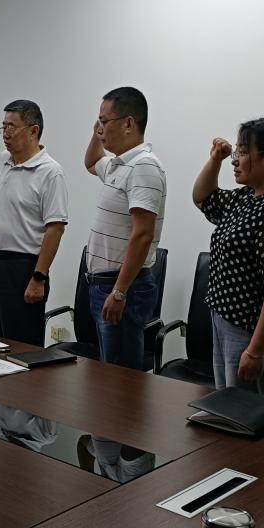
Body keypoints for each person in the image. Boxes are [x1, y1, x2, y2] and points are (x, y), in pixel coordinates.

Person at [192, 117, 264, 396]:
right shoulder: (245, 197)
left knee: (245, 414)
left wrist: (256, 349)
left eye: (243, 152)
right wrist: (215, 159)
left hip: (249, 332)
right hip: (224, 320)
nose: (235, 160)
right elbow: (202, 198)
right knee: (226, 408)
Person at [0, 100, 67, 346]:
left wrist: (39, 277)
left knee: (21, 346)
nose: (5, 133)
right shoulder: (1, 161)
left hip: (22, 268)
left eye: (12, 127)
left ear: (33, 130)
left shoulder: (50, 172)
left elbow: (55, 229)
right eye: (4, 127)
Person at [83, 86, 166, 369]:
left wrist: (119, 292)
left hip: (122, 287)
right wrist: (97, 131)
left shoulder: (144, 166)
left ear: (128, 123)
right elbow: (91, 162)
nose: (100, 128)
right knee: (109, 373)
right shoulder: (117, 164)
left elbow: (143, 235)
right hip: (103, 285)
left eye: (105, 121)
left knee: (120, 378)